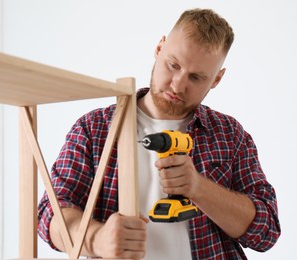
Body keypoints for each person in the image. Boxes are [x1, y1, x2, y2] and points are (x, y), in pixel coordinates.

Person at [38, 8, 281, 259]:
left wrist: (199, 188)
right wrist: (97, 239)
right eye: (173, 65)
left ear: (217, 79)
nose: (178, 84)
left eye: (196, 77)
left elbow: (267, 231)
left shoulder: (230, 135)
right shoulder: (95, 128)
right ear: (159, 48)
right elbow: (51, 214)